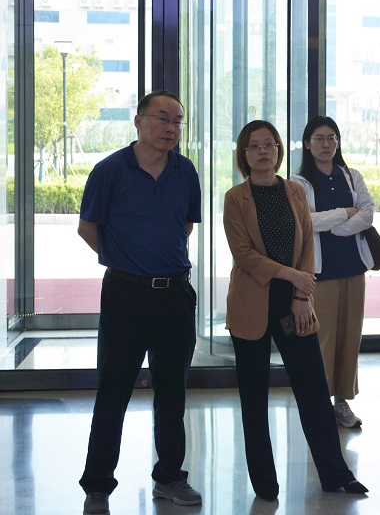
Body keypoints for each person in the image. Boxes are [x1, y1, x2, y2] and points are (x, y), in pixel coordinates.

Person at [223, 120, 368, 500]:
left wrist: (301, 295)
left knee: (314, 390)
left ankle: (336, 474)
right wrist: (291, 275)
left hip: (295, 303)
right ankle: (264, 483)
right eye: (254, 146)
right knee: (254, 397)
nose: (263, 151)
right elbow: (244, 254)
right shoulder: (235, 198)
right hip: (251, 304)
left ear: (279, 151)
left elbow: (306, 245)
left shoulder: (295, 192)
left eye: (269, 144)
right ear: (244, 154)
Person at [78, 90, 203, 514]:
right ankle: (97, 485)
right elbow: (88, 228)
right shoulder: (110, 170)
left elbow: (185, 225)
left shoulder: (185, 171)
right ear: (138, 121)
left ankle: (170, 477)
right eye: (162, 118)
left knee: (172, 392)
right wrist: (126, 261)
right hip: (126, 295)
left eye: (178, 121)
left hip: (175, 296)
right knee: (113, 392)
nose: (171, 128)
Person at [290, 116, 374, 429]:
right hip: (320, 273)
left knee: (349, 338)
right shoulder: (299, 182)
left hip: (353, 267)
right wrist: (345, 213)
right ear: (307, 143)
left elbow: (367, 213)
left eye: (332, 138)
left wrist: (337, 227)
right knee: (322, 339)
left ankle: (342, 402)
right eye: (319, 138)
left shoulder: (351, 176)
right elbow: (306, 222)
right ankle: (320, 404)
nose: (326, 144)